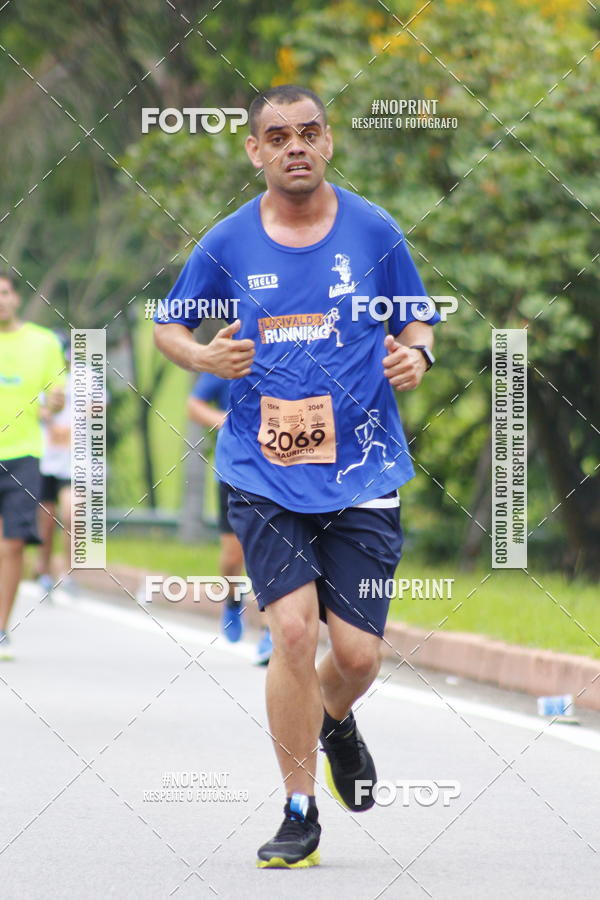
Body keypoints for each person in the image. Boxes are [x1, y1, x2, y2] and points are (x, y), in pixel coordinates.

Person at [154, 84, 440, 868]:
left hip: (363, 472)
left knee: (355, 658)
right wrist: (204, 356)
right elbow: (169, 326)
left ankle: (335, 720)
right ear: (255, 151)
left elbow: (416, 314)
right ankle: (298, 807)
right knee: (289, 631)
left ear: (329, 141)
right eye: (277, 136)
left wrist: (417, 352)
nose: (294, 147)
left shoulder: (374, 229)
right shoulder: (227, 243)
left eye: (308, 132)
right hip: (263, 472)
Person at [0, 272, 66, 660]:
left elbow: (56, 391)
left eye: (5, 293)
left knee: (12, 544)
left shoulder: (43, 343)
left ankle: (1, 626)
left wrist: (54, 403)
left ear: (16, 299)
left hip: (24, 455)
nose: (0, 301)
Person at [187, 372, 273, 663]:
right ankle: (232, 601)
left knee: (268, 552)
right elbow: (194, 405)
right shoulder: (230, 358)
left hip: (279, 472)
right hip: (234, 471)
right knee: (234, 555)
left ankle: (270, 632)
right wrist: (227, 421)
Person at [35, 332, 75, 597]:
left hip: (74, 462)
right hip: (45, 459)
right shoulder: (41, 379)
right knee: (46, 521)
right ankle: (44, 569)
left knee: (71, 514)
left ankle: (69, 574)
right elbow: (35, 411)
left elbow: (100, 410)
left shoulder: (86, 379)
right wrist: (49, 418)